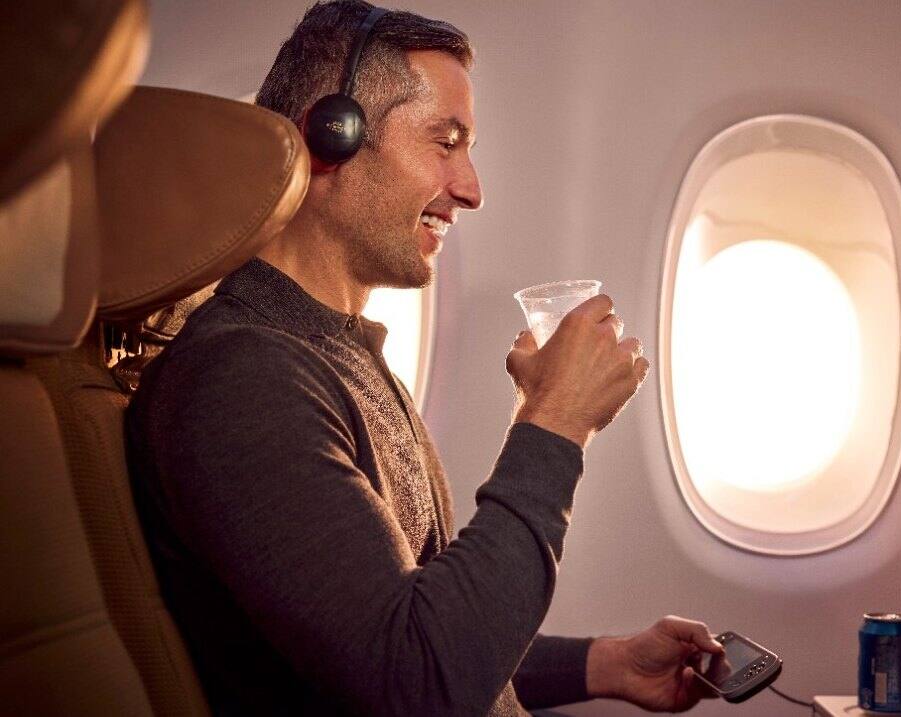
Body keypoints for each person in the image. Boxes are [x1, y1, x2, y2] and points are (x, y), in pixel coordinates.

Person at [125, 1, 723, 714]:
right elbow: (415, 678)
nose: (471, 189)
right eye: (446, 142)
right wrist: (554, 423)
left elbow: (417, 623)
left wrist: (606, 664)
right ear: (332, 133)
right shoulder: (240, 381)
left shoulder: (338, 352)